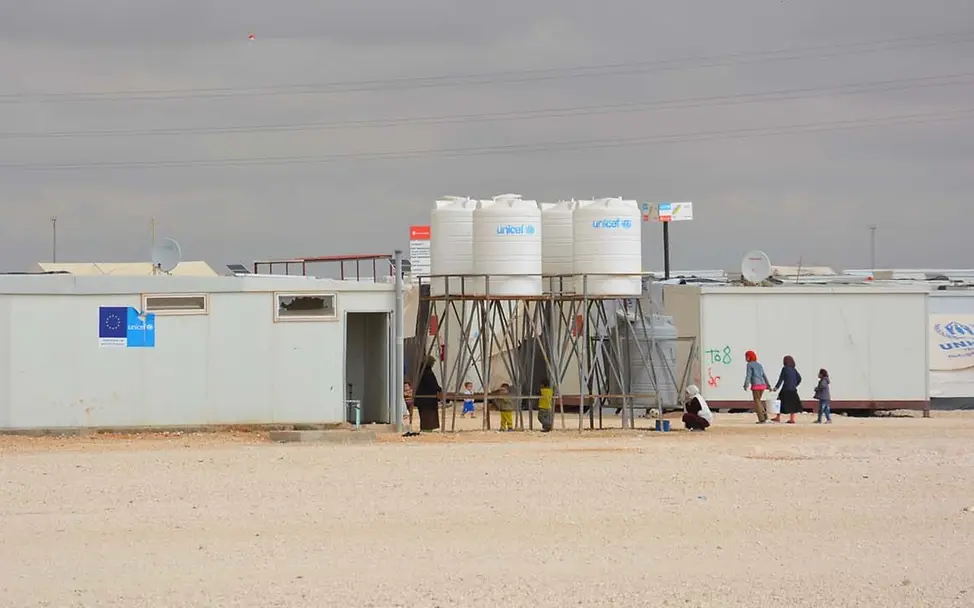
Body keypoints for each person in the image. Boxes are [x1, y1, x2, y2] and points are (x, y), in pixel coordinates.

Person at [743, 350, 772, 424]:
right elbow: (764, 375)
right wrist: (768, 385)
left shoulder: (749, 365)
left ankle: (762, 419)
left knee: (757, 401)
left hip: (756, 385)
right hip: (762, 385)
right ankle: (765, 417)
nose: (745, 358)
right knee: (759, 401)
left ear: (749, 357)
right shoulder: (759, 365)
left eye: (746, 356)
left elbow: (748, 375)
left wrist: (746, 384)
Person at [414, 356, 442, 432]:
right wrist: (439, 389)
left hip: (422, 397)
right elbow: (431, 384)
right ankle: (427, 429)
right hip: (428, 398)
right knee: (428, 414)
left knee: (425, 414)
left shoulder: (420, 370)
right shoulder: (427, 372)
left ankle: (426, 428)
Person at [773, 355, 803, 424]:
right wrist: (795, 384)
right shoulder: (794, 369)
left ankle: (778, 417)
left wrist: (776, 388)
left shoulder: (785, 368)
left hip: (785, 389)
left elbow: (781, 379)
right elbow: (799, 379)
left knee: (779, 401)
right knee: (792, 403)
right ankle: (792, 419)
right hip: (793, 389)